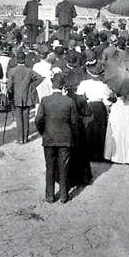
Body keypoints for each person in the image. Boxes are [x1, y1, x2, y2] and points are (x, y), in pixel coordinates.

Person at [35, 73, 78, 204]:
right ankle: (64, 195)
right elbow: (74, 121)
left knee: (50, 167)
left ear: (52, 85)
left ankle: (49, 195)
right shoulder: (69, 101)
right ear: (63, 86)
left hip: (48, 137)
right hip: (65, 138)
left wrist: (42, 131)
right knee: (63, 166)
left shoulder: (45, 100)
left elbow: (38, 120)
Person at [7, 50, 44, 144]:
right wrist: (32, 85)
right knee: (26, 117)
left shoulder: (12, 71)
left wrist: (9, 94)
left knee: (19, 118)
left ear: (16, 60)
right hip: (27, 96)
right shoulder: (29, 71)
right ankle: (26, 138)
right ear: (25, 60)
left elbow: (10, 86)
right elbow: (40, 78)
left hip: (17, 96)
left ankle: (20, 138)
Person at [103, 91, 129, 165]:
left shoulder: (116, 89)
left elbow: (109, 99)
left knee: (118, 131)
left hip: (118, 107)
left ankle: (118, 156)